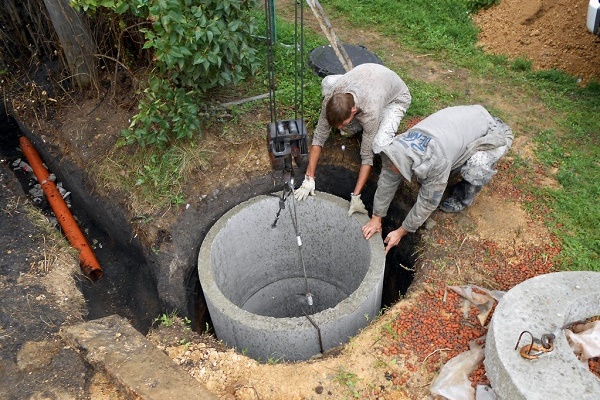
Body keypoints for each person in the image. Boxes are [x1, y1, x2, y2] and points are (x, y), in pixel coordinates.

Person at [361, 105, 513, 254]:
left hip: (493, 131)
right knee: (434, 173)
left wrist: (400, 232)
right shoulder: (399, 144)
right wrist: (376, 218)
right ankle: (456, 165)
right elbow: (388, 179)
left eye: (396, 169)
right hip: (468, 120)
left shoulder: (438, 161)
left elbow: (427, 203)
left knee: (476, 165)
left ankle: (461, 198)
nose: (392, 170)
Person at [294, 63, 411, 216]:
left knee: (378, 144)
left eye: (342, 123)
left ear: (353, 110)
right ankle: (354, 125)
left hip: (395, 98)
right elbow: (319, 137)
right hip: (368, 77)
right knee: (327, 83)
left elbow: (367, 157)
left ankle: (378, 124)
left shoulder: (370, 112)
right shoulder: (332, 96)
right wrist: (309, 177)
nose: (338, 127)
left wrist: (356, 196)